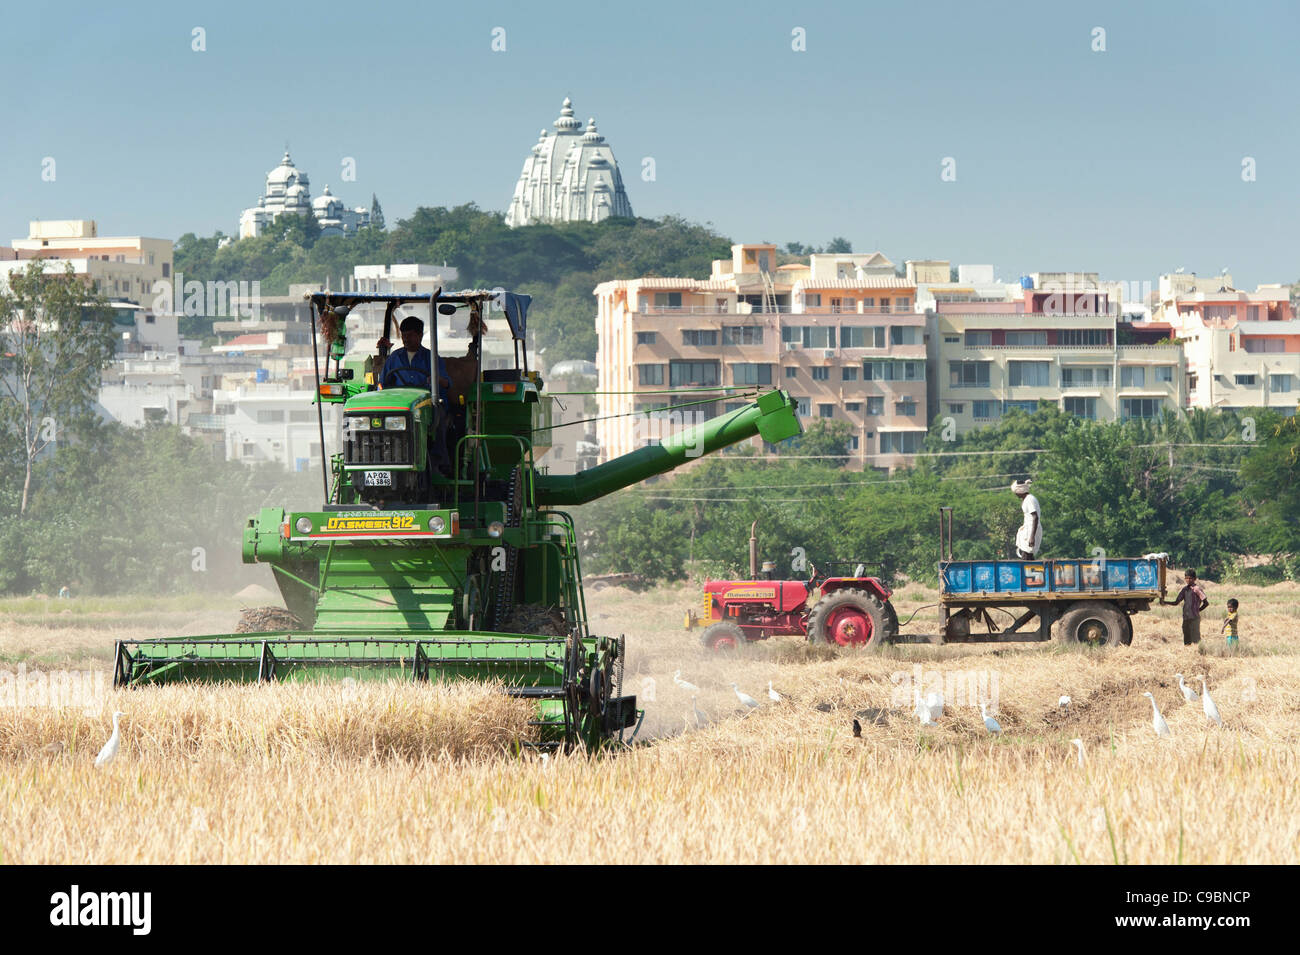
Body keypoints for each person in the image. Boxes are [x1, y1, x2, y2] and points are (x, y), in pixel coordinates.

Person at [377, 315, 448, 397]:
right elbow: (382, 383)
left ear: (420, 335)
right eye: (403, 335)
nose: (406, 339)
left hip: (425, 400)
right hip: (399, 400)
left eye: (410, 335)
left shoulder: (432, 357)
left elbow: (446, 384)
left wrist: (436, 379)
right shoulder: (394, 357)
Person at [1161, 568, 1209, 645]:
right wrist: (1165, 602)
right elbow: (1176, 602)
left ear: (1195, 579)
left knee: (1196, 638)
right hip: (1186, 618)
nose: (1188, 580)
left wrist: (1198, 610)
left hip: (1194, 618)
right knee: (1186, 638)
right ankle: (1188, 652)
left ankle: (1199, 652)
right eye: (1186, 578)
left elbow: (1206, 603)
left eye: (1190, 578)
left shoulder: (1197, 589)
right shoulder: (1184, 590)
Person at [1011, 479, 1042, 559]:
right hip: (1028, 530)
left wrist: (1032, 536)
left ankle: (1025, 571)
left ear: (1020, 491)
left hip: (1031, 531)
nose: (1015, 494)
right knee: (1027, 555)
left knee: (1026, 554)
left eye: (1016, 492)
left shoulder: (1029, 499)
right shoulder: (1027, 499)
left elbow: (1035, 517)